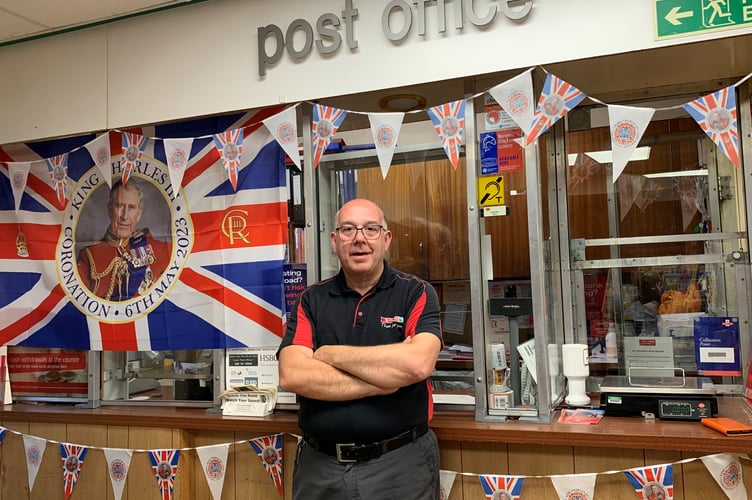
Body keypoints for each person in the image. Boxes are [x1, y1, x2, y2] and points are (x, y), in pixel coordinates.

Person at [277, 198, 443, 500]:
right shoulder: (310, 300)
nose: (359, 239)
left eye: (371, 229)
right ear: (334, 240)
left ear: (386, 238)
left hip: (400, 464)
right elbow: (293, 375)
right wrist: (384, 382)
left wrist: (329, 354)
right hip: (320, 467)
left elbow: (417, 364)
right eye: (348, 229)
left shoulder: (416, 292)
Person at [77, 179, 172, 301]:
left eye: (131, 208)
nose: (124, 216)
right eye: (120, 206)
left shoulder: (161, 250)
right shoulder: (89, 255)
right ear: (110, 209)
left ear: (139, 214)